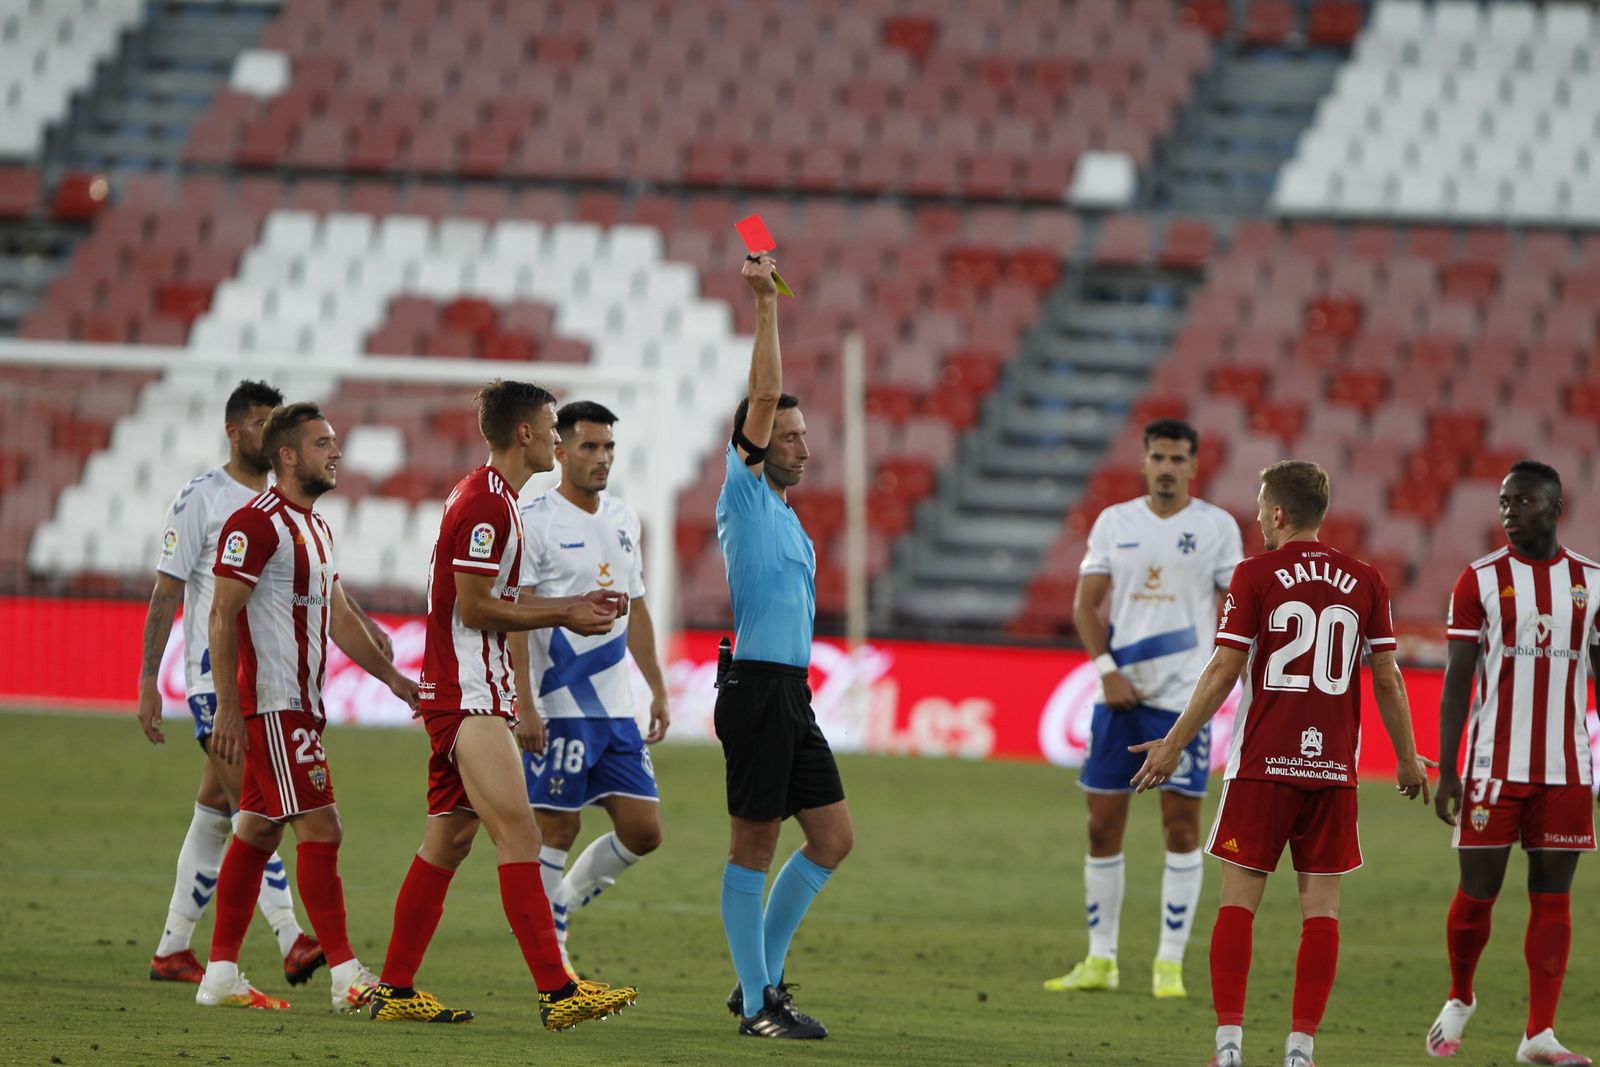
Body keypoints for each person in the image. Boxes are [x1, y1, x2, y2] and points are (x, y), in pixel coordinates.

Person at [1129, 460, 1433, 1067]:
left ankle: (1229, 1047)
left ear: (1278, 514)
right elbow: (1388, 677)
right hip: (1332, 773)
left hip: (1262, 764)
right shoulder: (1367, 579)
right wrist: (1406, 757)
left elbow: (1221, 670)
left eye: (1260, 506)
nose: (1256, 517)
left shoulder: (1255, 574)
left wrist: (1174, 742)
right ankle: (1300, 1050)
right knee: (1321, 910)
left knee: (1238, 902)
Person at [368, 379, 638, 1031]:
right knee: (520, 831)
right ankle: (558, 990)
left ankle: (396, 988)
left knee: (449, 839)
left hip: (466, 688)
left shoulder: (493, 498)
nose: (555, 436)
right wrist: (565, 610)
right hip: (468, 694)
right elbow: (474, 604)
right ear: (525, 433)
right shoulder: (488, 506)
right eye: (551, 427)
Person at [197, 402, 417, 1013]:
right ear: (288, 455)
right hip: (272, 705)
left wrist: (394, 680)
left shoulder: (315, 526)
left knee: (257, 830)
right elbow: (223, 613)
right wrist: (228, 709)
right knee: (322, 827)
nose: (336, 452)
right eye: (323, 443)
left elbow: (338, 616)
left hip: (301, 703)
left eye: (336, 441)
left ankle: (219, 975)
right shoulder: (256, 524)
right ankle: (347, 977)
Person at [135, 380, 325, 987]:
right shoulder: (202, 499)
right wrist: (147, 679)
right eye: (259, 423)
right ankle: (291, 937)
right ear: (234, 430)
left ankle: (173, 949)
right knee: (259, 807)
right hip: (215, 684)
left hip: (267, 683)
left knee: (219, 813)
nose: (268, 435)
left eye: (276, 425)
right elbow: (167, 590)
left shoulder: (278, 506)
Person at [1046, 418, 1242, 999]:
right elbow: (1085, 607)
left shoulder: (1216, 528)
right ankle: (1101, 959)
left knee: (1181, 828)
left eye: (1178, 459)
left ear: (1193, 465)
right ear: (1143, 461)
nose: (1166, 467)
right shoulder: (1115, 522)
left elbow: (1238, 610)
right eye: (1158, 457)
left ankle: (1169, 964)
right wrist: (1108, 674)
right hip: (1120, 698)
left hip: (1181, 705)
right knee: (1101, 825)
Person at [714, 254, 852, 1040]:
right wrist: (766, 303)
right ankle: (760, 1003)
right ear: (759, 439)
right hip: (758, 690)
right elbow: (762, 392)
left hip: (789, 693)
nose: (802, 446)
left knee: (832, 838)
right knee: (755, 845)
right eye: (789, 435)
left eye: (803, 435)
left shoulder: (788, 517)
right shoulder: (742, 489)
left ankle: (754, 984)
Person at [1424, 461, 1598, 1067]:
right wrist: (1448, 770)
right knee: (1479, 892)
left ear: (1555, 507)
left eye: (1521, 501)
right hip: (1492, 767)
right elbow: (1455, 684)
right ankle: (1459, 998)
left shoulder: (1592, 583)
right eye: (1503, 501)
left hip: (1567, 768)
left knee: (1554, 898)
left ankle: (1538, 1035)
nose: (1508, 512)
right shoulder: (1478, 580)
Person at [510, 400, 670, 976]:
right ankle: (552, 963)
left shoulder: (626, 519)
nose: (601, 458)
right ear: (559, 451)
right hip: (559, 704)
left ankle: (556, 909)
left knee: (643, 830)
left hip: (616, 710)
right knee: (559, 826)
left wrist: (657, 686)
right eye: (589, 447)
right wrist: (525, 704)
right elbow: (516, 616)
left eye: (608, 448)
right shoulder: (535, 521)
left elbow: (639, 608)